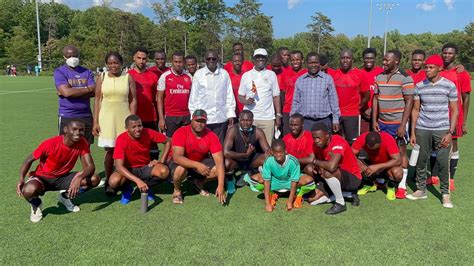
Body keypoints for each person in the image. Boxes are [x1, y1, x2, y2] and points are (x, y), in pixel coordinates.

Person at [16, 120, 100, 222]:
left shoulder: (82, 143)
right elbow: (28, 160)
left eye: (81, 130)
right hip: (43, 178)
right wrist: (21, 179)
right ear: (65, 130)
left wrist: (79, 178)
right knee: (28, 190)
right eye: (74, 129)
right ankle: (36, 204)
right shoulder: (50, 144)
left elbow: (91, 166)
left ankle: (65, 197)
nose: (78, 132)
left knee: (94, 179)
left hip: (63, 178)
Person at [407, 54, 458, 208]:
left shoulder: (449, 85)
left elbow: (454, 111)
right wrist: (414, 132)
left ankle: (445, 194)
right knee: (421, 161)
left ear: (439, 68)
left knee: (443, 162)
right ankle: (421, 190)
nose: (427, 70)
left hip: (442, 129)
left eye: (430, 67)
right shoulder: (420, 86)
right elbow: (415, 110)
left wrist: (450, 132)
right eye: (426, 67)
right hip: (423, 128)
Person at [430, 43, 472, 191]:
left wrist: (464, 122)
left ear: (455, 55)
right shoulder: (438, 71)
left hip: (454, 116)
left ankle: (450, 177)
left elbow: (466, 98)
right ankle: (434, 175)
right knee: (435, 144)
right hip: (437, 115)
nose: (447, 55)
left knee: (453, 145)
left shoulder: (461, 73)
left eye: (450, 53)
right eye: (445, 53)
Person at [93, 51, 137, 189]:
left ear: (121, 63)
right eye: (110, 63)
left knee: (125, 149)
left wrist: (133, 120)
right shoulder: (102, 77)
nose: (113, 65)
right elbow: (97, 100)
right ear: (106, 64)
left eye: (116, 63)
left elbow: (133, 100)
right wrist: (95, 121)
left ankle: (125, 179)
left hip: (124, 118)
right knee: (109, 151)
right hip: (106, 118)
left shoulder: (128, 77)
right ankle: (108, 180)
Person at [373, 49, 414, 194]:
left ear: (396, 61)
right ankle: (382, 180)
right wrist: (374, 120)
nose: (384, 62)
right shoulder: (379, 77)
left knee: (402, 152)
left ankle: (402, 186)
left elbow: (409, 102)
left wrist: (403, 124)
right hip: (382, 122)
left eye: (387, 60)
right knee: (383, 152)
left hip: (397, 123)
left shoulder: (405, 77)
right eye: (383, 60)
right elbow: (376, 98)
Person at [108, 115, 171, 204]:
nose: (138, 129)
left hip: (145, 166)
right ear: (126, 128)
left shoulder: (148, 132)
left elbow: (168, 141)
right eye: (133, 127)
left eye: (139, 126)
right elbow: (118, 167)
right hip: (128, 169)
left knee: (164, 171)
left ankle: (146, 187)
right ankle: (127, 189)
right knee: (113, 181)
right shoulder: (121, 139)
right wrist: (138, 181)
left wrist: (162, 160)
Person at [169, 109, 226, 205]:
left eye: (202, 121)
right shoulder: (181, 132)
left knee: (217, 169)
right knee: (180, 169)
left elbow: (219, 162)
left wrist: (221, 185)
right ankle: (177, 190)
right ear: (192, 120)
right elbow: (177, 157)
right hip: (182, 163)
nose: (199, 124)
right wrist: (196, 165)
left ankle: (198, 183)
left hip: (200, 161)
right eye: (197, 120)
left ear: (206, 122)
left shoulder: (211, 136)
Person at [243, 140, 316, 211]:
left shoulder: (293, 161)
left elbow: (294, 181)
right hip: (275, 182)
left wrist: (290, 202)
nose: (278, 155)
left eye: (280, 152)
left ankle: (298, 195)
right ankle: (272, 194)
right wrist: (267, 204)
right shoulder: (268, 161)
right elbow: (267, 181)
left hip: (289, 182)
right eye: (276, 152)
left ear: (285, 151)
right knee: (254, 180)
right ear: (272, 152)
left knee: (311, 183)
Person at [311, 123, 362, 215]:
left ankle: (340, 203)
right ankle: (349, 194)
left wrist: (315, 162)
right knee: (312, 200)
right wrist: (317, 167)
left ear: (327, 135)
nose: (316, 141)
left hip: (353, 178)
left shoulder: (337, 141)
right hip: (334, 178)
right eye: (314, 138)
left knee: (328, 171)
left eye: (319, 137)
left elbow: (331, 166)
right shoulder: (316, 145)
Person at [189, 49, 236, 143]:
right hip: (203, 120)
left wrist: (230, 114)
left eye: (213, 59)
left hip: (221, 118)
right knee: (203, 147)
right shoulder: (199, 74)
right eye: (208, 58)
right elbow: (193, 98)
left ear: (218, 59)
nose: (211, 61)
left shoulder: (224, 74)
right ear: (205, 59)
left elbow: (229, 95)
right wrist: (193, 117)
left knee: (218, 147)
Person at [239, 48, 282, 145]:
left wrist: (278, 115)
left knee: (267, 148)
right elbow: (240, 96)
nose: (260, 60)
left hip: (267, 118)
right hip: (250, 118)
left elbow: (276, 96)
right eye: (257, 57)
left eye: (262, 57)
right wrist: (246, 101)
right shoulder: (246, 75)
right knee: (249, 147)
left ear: (266, 60)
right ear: (253, 59)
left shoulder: (271, 75)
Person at [54, 45, 96, 145]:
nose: (72, 58)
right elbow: (66, 92)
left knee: (86, 147)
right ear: (64, 57)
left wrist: (71, 92)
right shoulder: (59, 71)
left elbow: (94, 91)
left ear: (79, 56)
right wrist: (87, 89)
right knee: (65, 147)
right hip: (67, 114)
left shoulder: (87, 72)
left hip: (85, 114)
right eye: (69, 56)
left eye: (75, 55)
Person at [291, 52, 340, 132]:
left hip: (324, 120)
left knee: (325, 144)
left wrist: (335, 119)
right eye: (311, 63)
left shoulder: (328, 79)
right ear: (306, 64)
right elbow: (296, 102)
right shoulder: (300, 80)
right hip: (306, 122)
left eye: (315, 62)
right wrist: (293, 120)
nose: (313, 65)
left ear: (319, 63)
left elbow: (333, 101)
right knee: (306, 144)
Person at [329, 49, 370, 144]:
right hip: (336, 115)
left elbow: (367, 94)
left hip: (352, 115)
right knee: (336, 142)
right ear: (339, 60)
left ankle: (352, 159)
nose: (345, 60)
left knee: (352, 143)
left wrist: (359, 106)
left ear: (352, 59)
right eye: (343, 58)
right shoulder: (334, 74)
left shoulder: (359, 74)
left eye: (348, 58)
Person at [223, 110, 270, 190]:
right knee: (226, 163)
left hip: (251, 160)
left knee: (267, 158)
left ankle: (253, 176)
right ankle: (230, 180)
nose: (245, 123)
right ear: (239, 120)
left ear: (252, 121)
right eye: (243, 120)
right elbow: (226, 152)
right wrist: (245, 155)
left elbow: (268, 151)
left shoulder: (258, 132)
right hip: (236, 160)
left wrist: (271, 153)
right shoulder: (233, 130)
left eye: (248, 120)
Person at [352, 131, 403, 200]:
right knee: (355, 163)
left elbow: (398, 160)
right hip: (370, 163)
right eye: (370, 148)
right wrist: (361, 165)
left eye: (376, 148)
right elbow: (351, 154)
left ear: (380, 142)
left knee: (398, 173)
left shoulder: (387, 138)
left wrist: (378, 166)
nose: (373, 151)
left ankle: (391, 186)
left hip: (387, 165)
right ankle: (369, 184)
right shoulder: (362, 138)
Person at [157, 51, 193, 137]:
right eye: (175, 62)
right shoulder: (165, 76)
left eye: (180, 62)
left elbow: (193, 98)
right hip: (171, 116)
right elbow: (159, 98)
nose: (178, 64)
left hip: (186, 116)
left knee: (186, 142)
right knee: (171, 143)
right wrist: (161, 119)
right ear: (172, 62)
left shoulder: (189, 77)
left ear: (183, 62)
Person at [128, 47, 160, 130]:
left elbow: (156, 98)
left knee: (152, 142)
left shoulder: (153, 76)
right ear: (134, 58)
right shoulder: (127, 76)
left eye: (144, 59)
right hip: (133, 116)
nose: (141, 61)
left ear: (147, 60)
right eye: (139, 58)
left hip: (150, 117)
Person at [281, 50, 308, 135]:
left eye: (297, 59)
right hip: (288, 110)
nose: (295, 62)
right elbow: (282, 93)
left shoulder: (308, 74)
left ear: (302, 60)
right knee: (288, 135)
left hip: (304, 110)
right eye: (292, 60)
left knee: (304, 136)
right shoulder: (285, 74)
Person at [360, 48, 384, 133]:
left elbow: (384, 94)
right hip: (364, 113)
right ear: (363, 59)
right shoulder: (359, 73)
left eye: (371, 58)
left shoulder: (382, 72)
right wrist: (364, 109)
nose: (369, 60)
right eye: (366, 58)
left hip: (379, 113)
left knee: (378, 140)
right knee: (364, 139)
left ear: (375, 59)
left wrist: (373, 109)